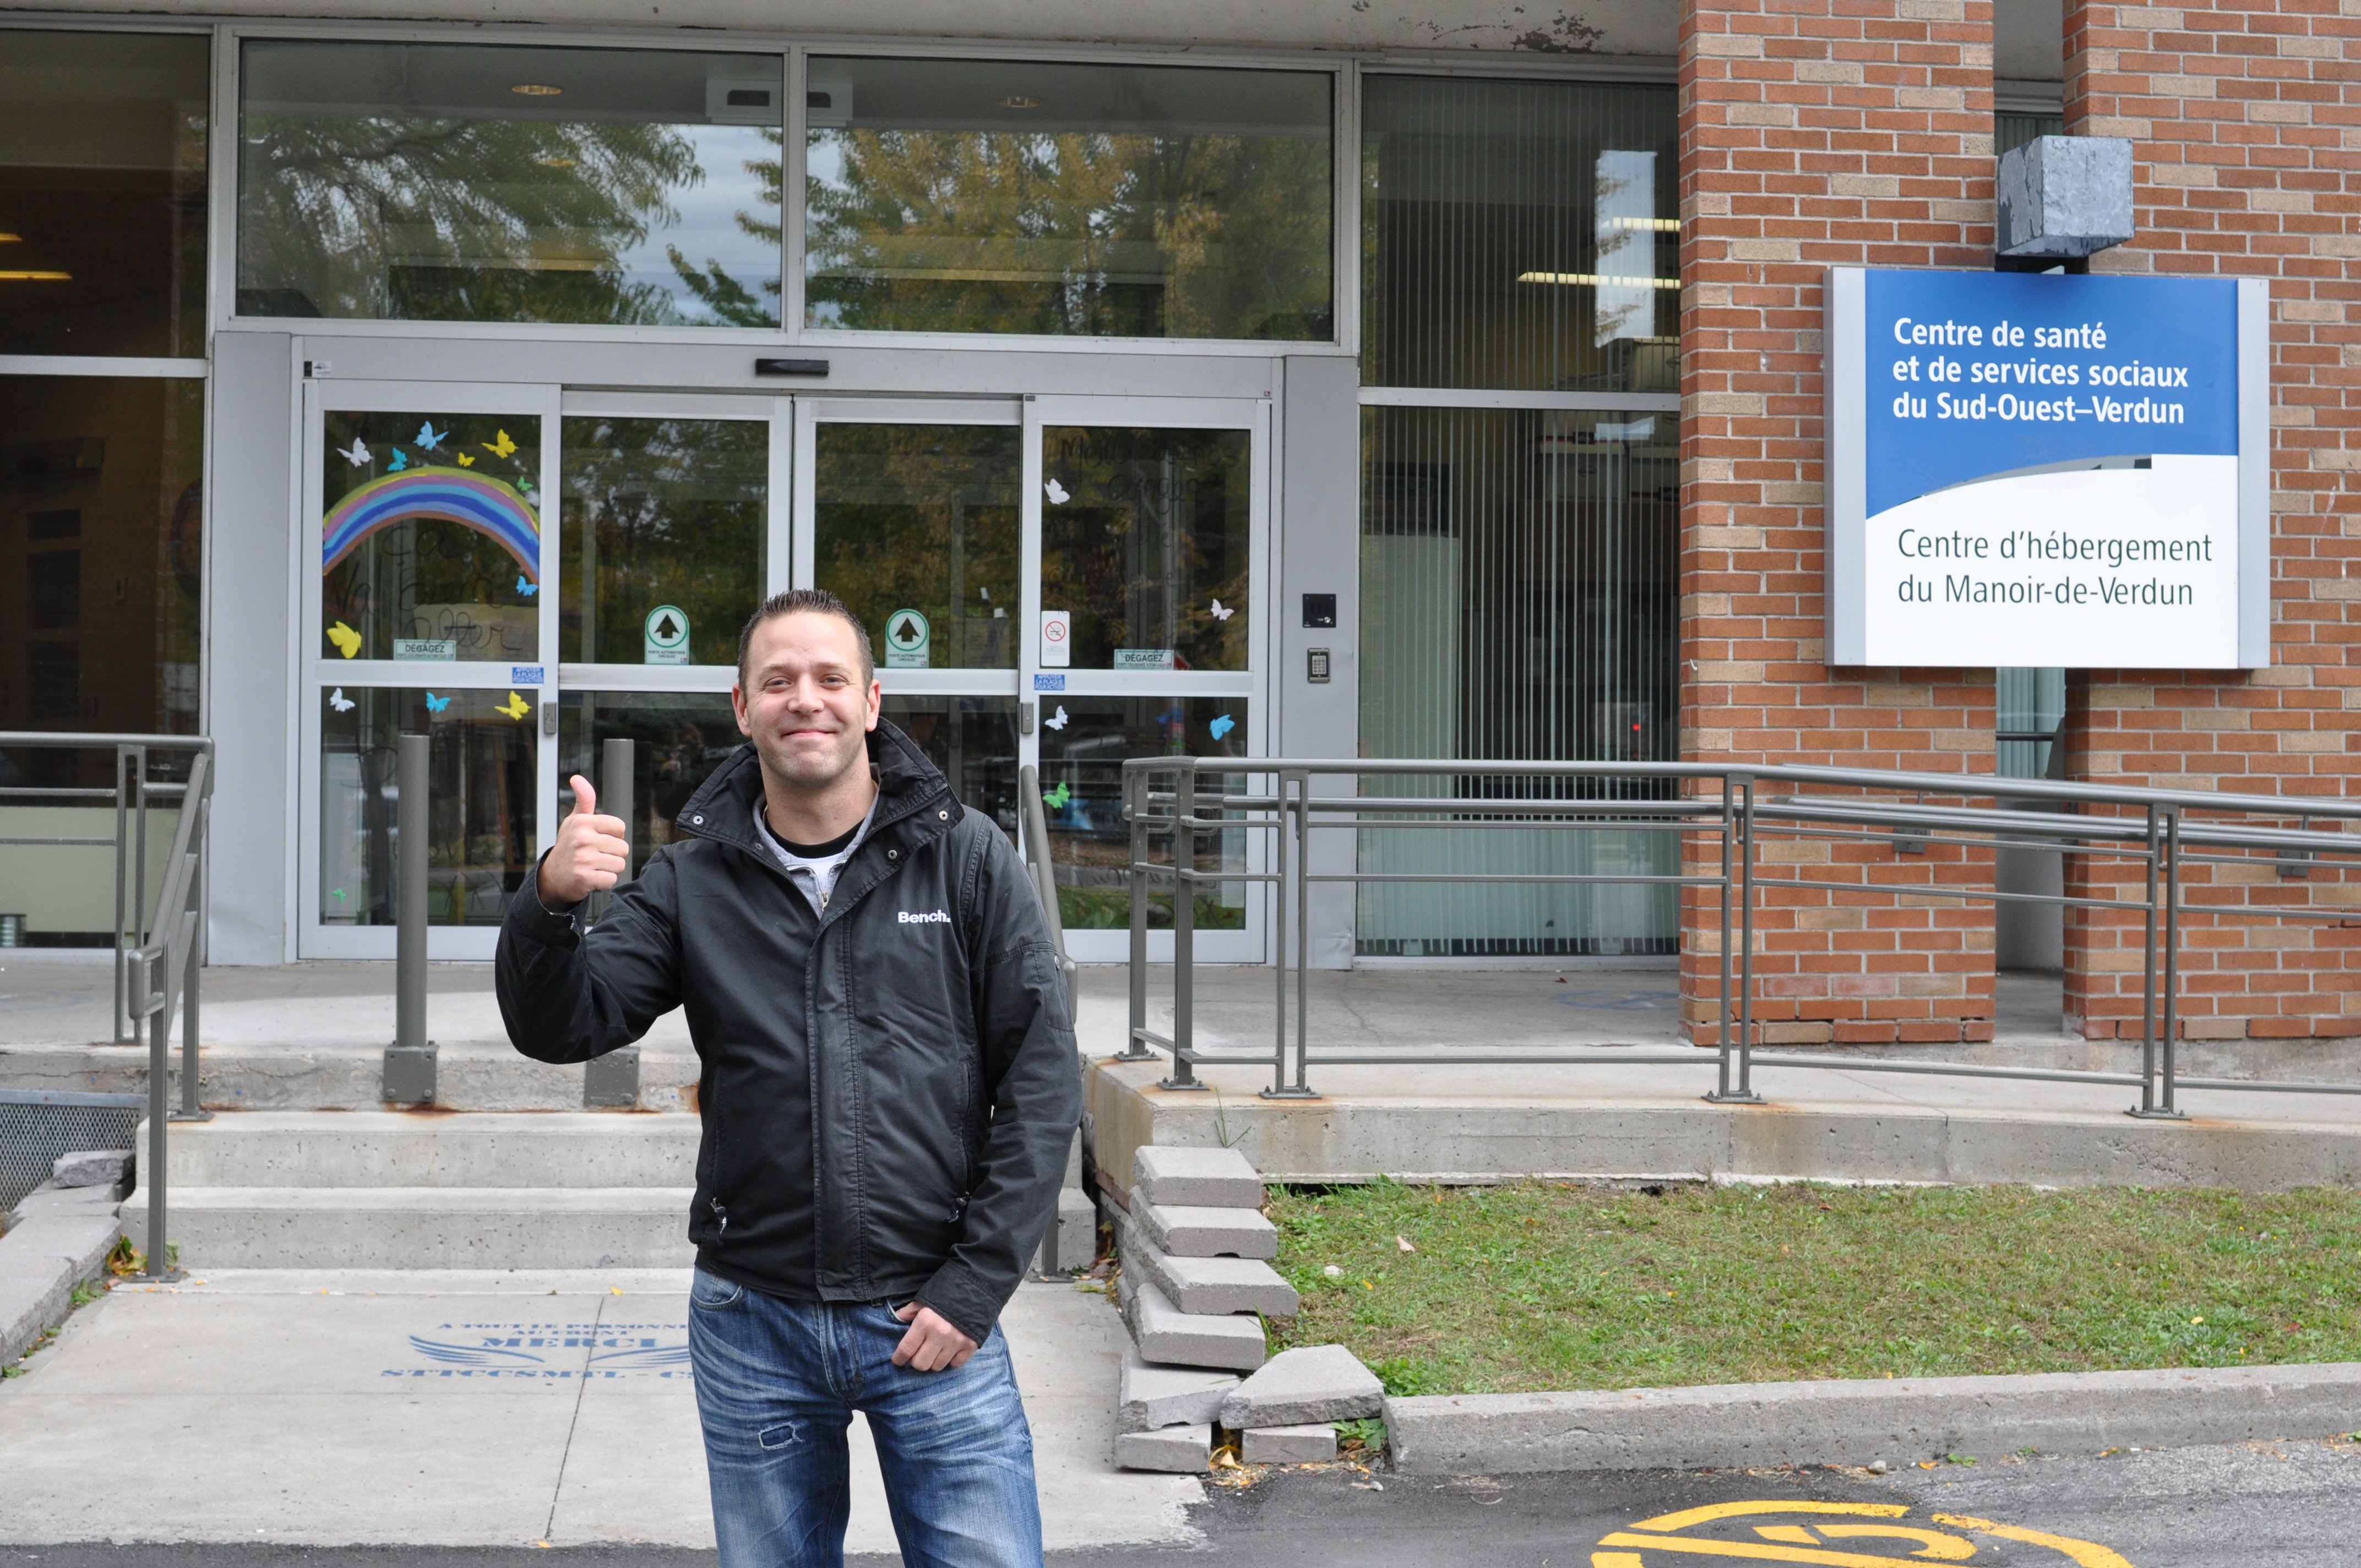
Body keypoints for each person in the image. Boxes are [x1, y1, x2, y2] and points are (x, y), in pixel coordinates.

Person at [496, 588, 1080, 1568]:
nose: (804, 699)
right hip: (752, 1326)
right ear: (742, 707)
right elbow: (562, 1026)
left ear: (871, 701)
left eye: (829, 678)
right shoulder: (690, 881)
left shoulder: (967, 858)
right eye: (778, 682)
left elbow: (1042, 1078)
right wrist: (550, 903)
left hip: (931, 1315)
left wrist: (976, 1285)